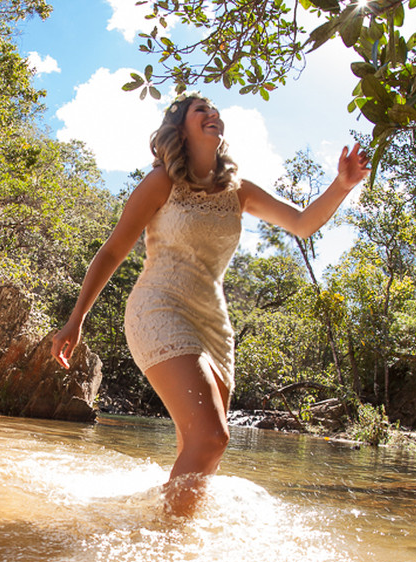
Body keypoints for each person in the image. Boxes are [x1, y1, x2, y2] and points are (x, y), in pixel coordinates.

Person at [50, 94, 370, 514]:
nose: (213, 114)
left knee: (198, 448)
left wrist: (342, 185)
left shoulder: (239, 191)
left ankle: (175, 534)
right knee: (212, 438)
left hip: (215, 328)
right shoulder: (162, 182)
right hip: (159, 307)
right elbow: (112, 251)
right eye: (201, 110)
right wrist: (76, 318)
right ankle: (165, 542)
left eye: (215, 110)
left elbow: (301, 223)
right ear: (180, 129)